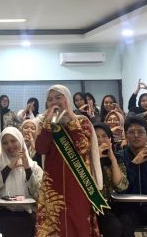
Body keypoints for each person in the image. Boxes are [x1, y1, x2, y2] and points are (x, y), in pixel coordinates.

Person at [35, 85, 107, 237]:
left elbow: (83, 147)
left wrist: (72, 121)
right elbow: (41, 148)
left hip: (78, 182)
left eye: (58, 98)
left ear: (67, 99)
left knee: (78, 222)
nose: (54, 102)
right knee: (54, 225)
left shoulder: (82, 121)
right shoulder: (44, 123)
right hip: (52, 185)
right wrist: (48, 124)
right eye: (50, 99)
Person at [0, 127, 43, 237]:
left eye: (13, 141)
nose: (10, 146)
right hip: (3, 216)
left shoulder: (33, 165)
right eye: (5, 143)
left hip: (27, 216)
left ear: (20, 140)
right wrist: (9, 167)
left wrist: (27, 168)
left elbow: (40, 193)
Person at [94, 123, 128, 237]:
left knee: (116, 228)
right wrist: (96, 158)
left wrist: (112, 159)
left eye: (104, 136)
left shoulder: (117, 158)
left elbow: (121, 186)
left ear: (110, 139)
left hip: (106, 207)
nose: (100, 140)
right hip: (87, 206)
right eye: (96, 136)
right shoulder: (84, 158)